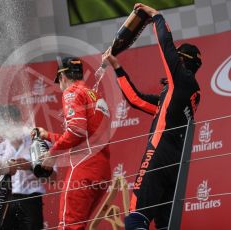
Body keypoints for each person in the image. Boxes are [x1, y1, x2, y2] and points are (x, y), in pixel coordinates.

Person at [103, 3, 202, 229]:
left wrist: (156, 17)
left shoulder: (181, 79)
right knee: (166, 225)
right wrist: (117, 67)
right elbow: (136, 99)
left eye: (177, 58)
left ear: (182, 61)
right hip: (176, 164)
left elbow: (166, 46)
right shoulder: (183, 93)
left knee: (136, 217)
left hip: (158, 154)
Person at [34, 57, 112, 229]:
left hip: (83, 168)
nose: (60, 86)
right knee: (78, 226)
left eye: (59, 82)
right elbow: (83, 136)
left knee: (68, 226)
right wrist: (47, 135)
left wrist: (51, 154)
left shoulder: (72, 92)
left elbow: (76, 131)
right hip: (102, 171)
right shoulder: (95, 95)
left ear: (63, 77)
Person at [0, 105, 56, 230]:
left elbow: (53, 178)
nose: (7, 126)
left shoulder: (39, 143)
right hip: (4, 204)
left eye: (11, 121)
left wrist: (31, 166)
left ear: (19, 121)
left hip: (31, 202)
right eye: (3, 123)